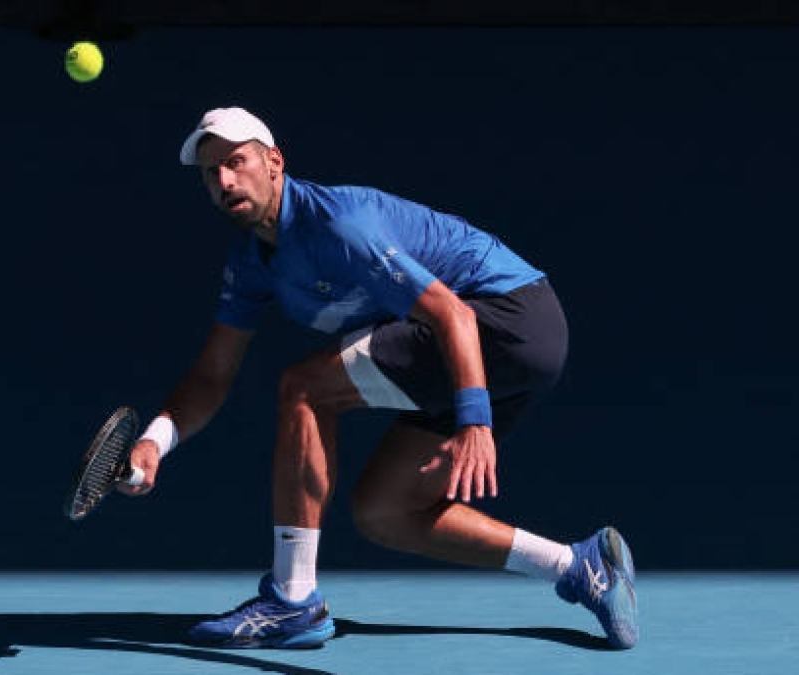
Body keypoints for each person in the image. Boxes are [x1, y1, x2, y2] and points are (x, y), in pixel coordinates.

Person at [116, 107, 638, 650]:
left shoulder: (338, 223)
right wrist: (156, 442)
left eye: (235, 162)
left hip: (509, 319)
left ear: (274, 162)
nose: (224, 181)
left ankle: (293, 600)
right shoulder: (251, 264)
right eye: (209, 174)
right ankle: (578, 567)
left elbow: (453, 315)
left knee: (304, 388)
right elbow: (212, 374)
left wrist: (474, 421)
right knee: (385, 512)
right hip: (487, 349)